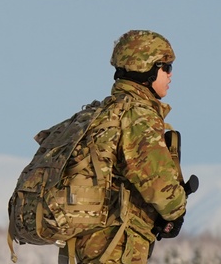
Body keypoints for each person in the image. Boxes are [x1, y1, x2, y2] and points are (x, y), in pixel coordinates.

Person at [74, 30, 187, 263]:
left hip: (93, 241)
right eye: (166, 67)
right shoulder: (139, 115)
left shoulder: (102, 112)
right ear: (146, 69)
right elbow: (158, 183)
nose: (170, 75)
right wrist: (176, 211)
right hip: (119, 243)